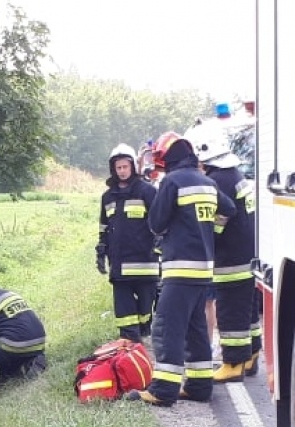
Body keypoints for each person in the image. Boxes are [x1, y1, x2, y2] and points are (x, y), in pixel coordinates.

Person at [125, 132, 236, 407]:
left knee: (166, 328)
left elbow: (156, 223)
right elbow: (229, 208)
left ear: (169, 159)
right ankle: (199, 386)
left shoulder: (173, 181)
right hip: (204, 271)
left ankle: (163, 390)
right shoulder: (207, 182)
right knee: (196, 330)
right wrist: (212, 230)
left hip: (180, 269)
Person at [186, 120, 259, 382]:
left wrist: (203, 242)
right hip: (247, 255)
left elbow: (217, 224)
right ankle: (250, 356)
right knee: (247, 311)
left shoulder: (218, 181)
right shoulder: (235, 175)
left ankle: (233, 363)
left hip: (231, 259)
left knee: (230, 312)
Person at [96, 143, 159, 342]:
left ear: (133, 166)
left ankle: (142, 332)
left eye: (125, 167)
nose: (122, 171)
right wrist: (101, 251)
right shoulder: (108, 197)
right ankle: (130, 347)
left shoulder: (147, 192)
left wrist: (160, 248)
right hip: (120, 266)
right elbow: (103, 227)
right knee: (124, 316)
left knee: (144, 313)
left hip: (145, 264)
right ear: (113, 169)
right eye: (118, 168)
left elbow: (160, 223)